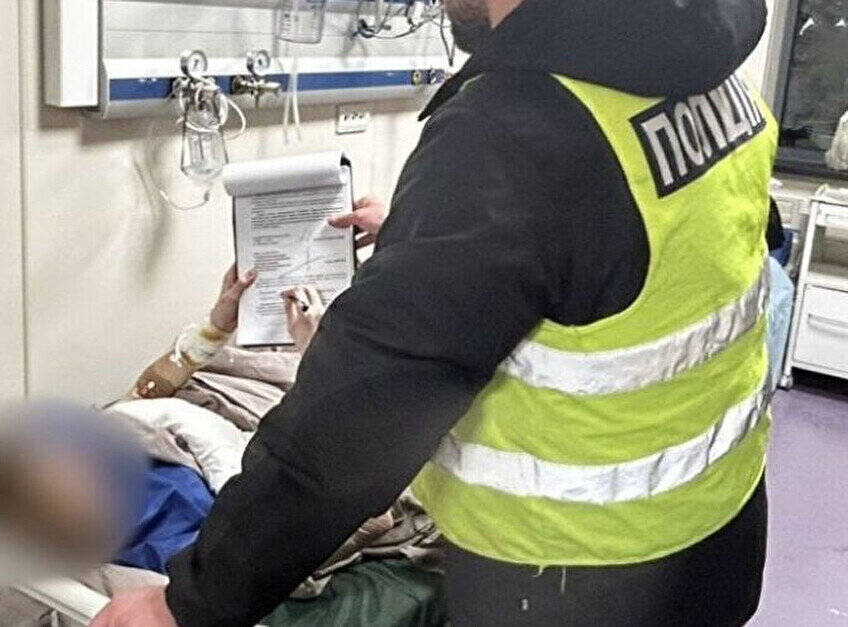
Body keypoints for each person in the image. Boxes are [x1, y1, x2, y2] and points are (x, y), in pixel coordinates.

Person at [94, 0, 778, 624]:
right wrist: (447, 240)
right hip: (718, 532)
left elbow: (356, 425)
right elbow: (691, 243)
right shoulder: (706, 65)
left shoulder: (512, 130)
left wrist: (188, 604)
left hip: (575, 575)